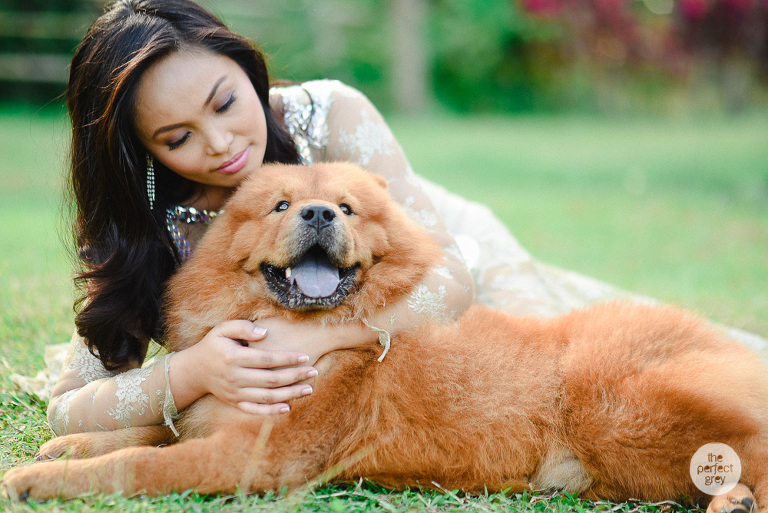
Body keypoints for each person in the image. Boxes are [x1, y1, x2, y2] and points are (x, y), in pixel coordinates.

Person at [46, 0, 767, 438]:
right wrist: (191, 371)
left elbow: (447, 278)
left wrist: (319, 335)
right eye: (177, 139)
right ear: (141, 152)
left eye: (224, 101)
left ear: (245, 66)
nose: (221, 142)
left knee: (575, 367)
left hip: (448, 259)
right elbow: (68, 408)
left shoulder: (330, 113)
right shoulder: (153, 223)